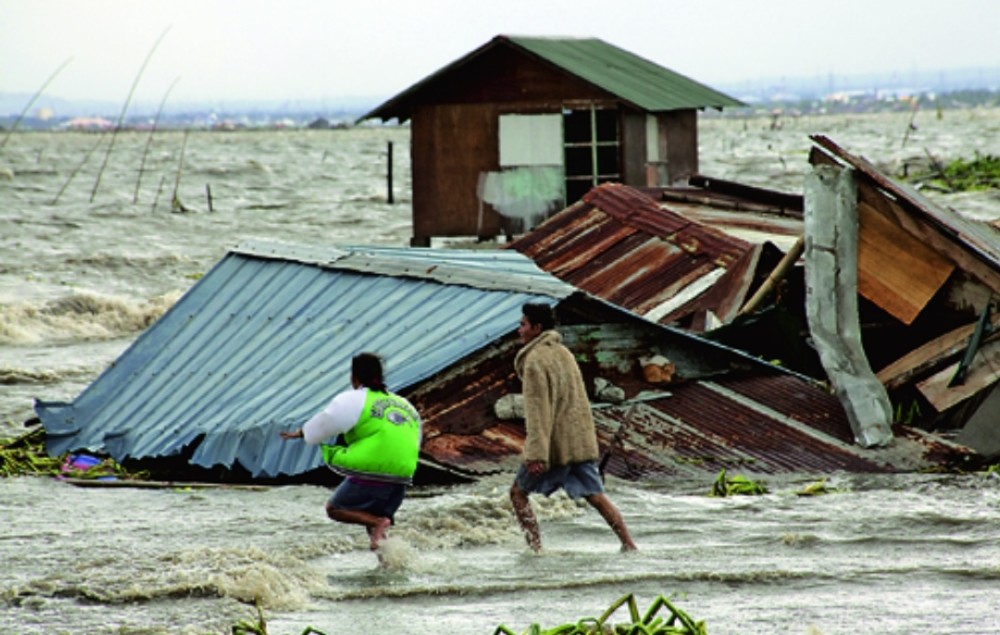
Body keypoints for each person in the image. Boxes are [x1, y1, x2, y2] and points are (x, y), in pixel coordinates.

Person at [509, 303, 637, 553]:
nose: (519, 330)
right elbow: (578, 401)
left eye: (523, 324)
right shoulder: (563, 353)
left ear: (537, 328)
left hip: (554, 446)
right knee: (596, 495)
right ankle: (628, 544)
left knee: (517, 493)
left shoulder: (535, 360)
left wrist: (536, 453)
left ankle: (535, 549)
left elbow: (538, 411)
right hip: (578, 441)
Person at [280, 352, 422, 557]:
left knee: (334, 508)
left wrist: (301, 433)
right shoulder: (405, 405)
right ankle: (389, 569)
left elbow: (324, 425)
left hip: (374, 467)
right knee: (373, 525)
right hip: (404, 471)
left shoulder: (354, 399)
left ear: (354, 376)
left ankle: (378, 522)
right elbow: (415, 441)